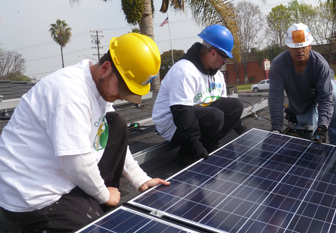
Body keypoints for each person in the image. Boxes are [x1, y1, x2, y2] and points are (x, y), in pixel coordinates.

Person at [0, 33, 170, 232]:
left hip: (63, 173)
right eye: (123, 87)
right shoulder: (69, 93)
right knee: (95, 227)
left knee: (116, 122)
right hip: (32, 193)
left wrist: (140, 178)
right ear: (106, 68)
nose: (121, 96)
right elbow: (76, 161)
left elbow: (108, 136)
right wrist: (104, 195)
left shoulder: (97, 82)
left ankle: (92, 201)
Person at [152, 25, 246, 166]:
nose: (226, 61)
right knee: (215, 116)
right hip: (172, 123)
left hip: (197, 116)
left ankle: (210, 145)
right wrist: (196, 146)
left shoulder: (218, 75)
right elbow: (182, 114)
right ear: (213, 53)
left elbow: (224, 107)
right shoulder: (184, 71)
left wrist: (239, 127)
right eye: (225, 57)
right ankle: (188, 153)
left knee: (236, 106)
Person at [268, 23, 336, 146]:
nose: (299, 50)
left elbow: (325, 98)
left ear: (310, 46)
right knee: (307, 135)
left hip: (322, 88)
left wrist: (322, 128)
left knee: (335, 97)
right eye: (295, 47)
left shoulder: (320, 64)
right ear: (287, 47)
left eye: (303, 46)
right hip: (300, 96)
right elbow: (275, 97)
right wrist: (276, 128)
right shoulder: (278, 64)